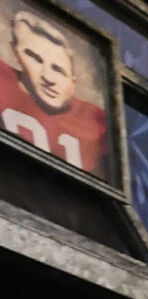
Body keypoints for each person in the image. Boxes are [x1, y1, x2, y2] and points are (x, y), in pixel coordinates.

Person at [3, 7, 109, 176]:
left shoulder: (97, 122)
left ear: (73, 80)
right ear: (16, 54)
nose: (47, 77)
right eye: (35, 58)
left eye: (58, 69)